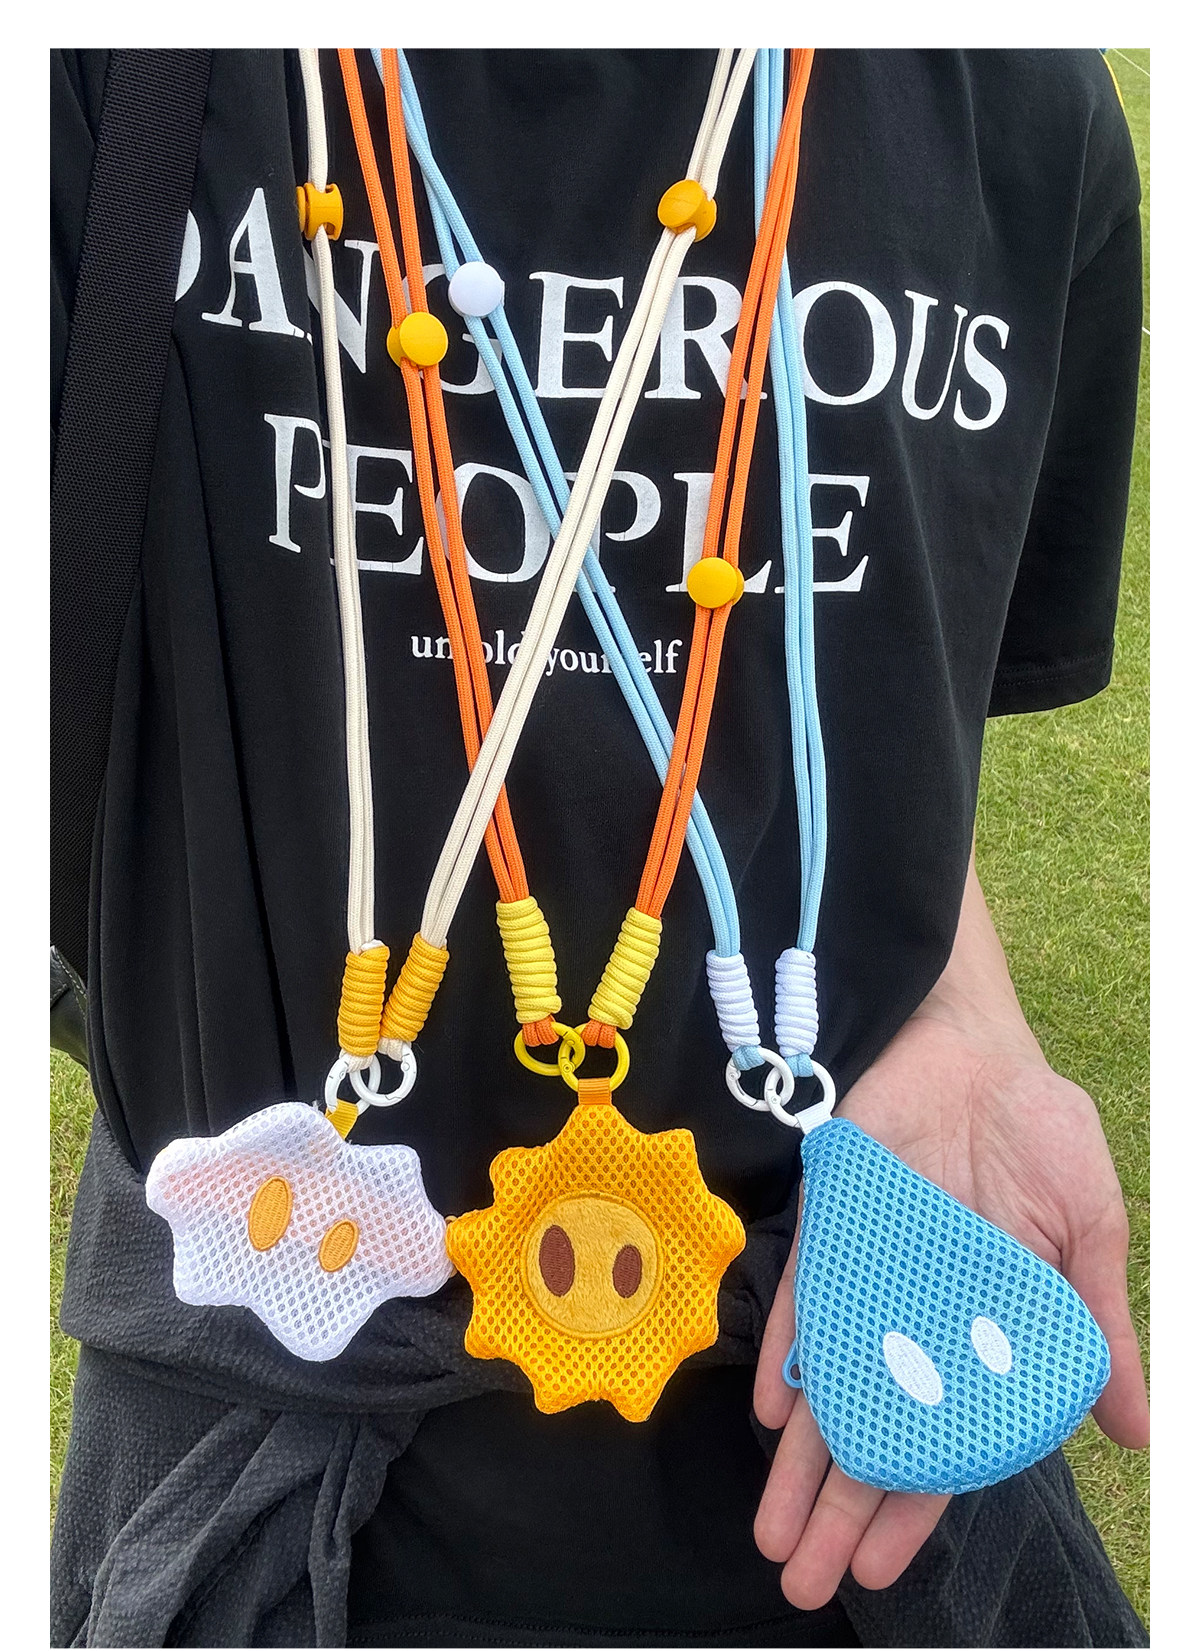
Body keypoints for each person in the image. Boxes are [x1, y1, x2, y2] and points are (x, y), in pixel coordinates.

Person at [50, 47, 1148, 1648]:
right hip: (258, 1486)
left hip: (849, 1430)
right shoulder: (103, 77)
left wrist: (961, 1008)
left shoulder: (1018, 101)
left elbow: (882, 688)